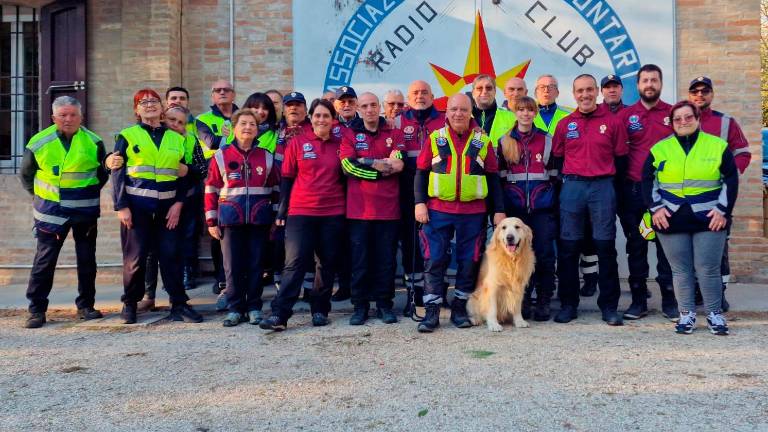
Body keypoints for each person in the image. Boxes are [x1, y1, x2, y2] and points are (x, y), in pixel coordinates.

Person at [642, 100, 738, 335]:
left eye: (688, 117)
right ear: (671, 122)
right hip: (671, 218)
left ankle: (714, 315)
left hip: (710, 218)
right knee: (680, 270)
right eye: (678, 118)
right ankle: (686, 315)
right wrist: (656, 209)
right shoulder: (660, 148)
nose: (683, 122)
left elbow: (731, 179)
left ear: (697, 118)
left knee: (708, 269)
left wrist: (723, 211)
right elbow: (647, 180)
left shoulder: (717, 146)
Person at [414, 93, 506, 333]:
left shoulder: (482, 141)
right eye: (453, 109)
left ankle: (459, 310)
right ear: (446, 112)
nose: (458, 114)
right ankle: (431, 313)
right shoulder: (435, 138)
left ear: (470, 112)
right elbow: (421, 173)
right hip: (437, 210)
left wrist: (499, 211)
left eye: (463, 110)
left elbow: (493, 178)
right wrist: (419, 203)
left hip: (472, 212)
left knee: (468, 261)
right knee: (434, 259)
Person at [112, 88, 203, 324]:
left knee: (172, 256)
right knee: (135, 258)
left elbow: (184, 175)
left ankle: (179, 304)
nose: (149, 105)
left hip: (168, 209)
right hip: (137, 208)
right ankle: (130, 304)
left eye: (153, 101)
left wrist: (179, 203)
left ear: (162, 107)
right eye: (143, 102)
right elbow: (117, 172)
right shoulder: (127, 135)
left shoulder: (176, 138)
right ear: (136, 109)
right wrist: (121, 206)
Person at [19, 96, 108, 328]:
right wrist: (41, 197)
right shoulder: (39, 142)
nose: (68, 119)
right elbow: (27, 176)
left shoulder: (94, 142)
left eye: (73, 115)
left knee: (87, 261)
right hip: (50, 212)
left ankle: (86, 306)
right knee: (44, 261)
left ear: (81, 117)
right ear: (53, 118)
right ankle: (36, 310)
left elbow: (102, 175)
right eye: (63, 115)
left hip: (85, 211)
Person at [260, 99, 345, 331]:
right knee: (295, 263)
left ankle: (319, 310)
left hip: (333, 212)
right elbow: (287, 178)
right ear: (311, 117)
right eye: (317, 115)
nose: (321, 120)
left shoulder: (341, 144)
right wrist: (282, 210)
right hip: (301, 212)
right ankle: (280, 314)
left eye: (326, 116)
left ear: (332, 119)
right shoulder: (297, 143)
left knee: (326, 264)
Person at [551, 74, 628, 326]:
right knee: (569, 248)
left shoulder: (613, 122)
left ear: (597, 92)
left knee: (605, 247)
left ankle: (608, 306)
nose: (584, 95)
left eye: (589, 90)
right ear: (573, 94)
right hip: (572, 187)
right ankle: (568, 304)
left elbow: (620, 157)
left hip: (602, 186)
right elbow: (558, 158)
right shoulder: (564, 124)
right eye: (579, 91)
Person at [205, 106, 279, 327]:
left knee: (256, 265)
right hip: (230, 220)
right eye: (243, 124)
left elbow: (275, 189)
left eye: (252, 124)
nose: (248, 127)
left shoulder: (266, 157)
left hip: (259, 220)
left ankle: (255, 307)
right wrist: (211, 221)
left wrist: (275, 219)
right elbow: (211, 189)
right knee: (232, 266)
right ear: (234, 129)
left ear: (257, 130)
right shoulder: (221, 156)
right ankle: (235, 309)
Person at [617, 64, 677, 321]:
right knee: (637, 246)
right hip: (635, 193)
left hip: (667, 194)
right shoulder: (626, 116)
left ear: (660, 84)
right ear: (638, 85)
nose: (649, 84)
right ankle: (639, 301)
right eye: (645, 80)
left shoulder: (675, 114)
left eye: (654, 80)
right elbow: (618, 154)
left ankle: (670, 301)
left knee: (667, 248)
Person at [340, 92, 405, 325]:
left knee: (386, 261)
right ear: (358, 108)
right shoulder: (349, 134)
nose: (369, 110)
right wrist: (375, 165)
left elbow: (397, 163)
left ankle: (385, 305)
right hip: (359, 211)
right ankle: (360, 307)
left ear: (380, 107)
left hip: (388, 210)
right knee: (360, 261)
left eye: (373, 105)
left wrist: (365, 161)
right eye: (365, 106)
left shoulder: (394, 133)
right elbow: (347, 166)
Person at [688, 76, 751, 312]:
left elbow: (743, 153)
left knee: (719, 248)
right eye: (695, 91)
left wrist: (729, 175)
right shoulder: (682, 121)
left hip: (719, 198)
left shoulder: (726, 123)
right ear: (690, 95)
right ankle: (695, 292)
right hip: (689, 199)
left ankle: (719, 294)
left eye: (705, 91)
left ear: (712, 94)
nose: (700, 95)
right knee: (692, 247)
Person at [139, 87, 202, 312]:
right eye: (172, 120)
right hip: (152, 203)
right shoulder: (153, 137)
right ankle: (148, 294)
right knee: (148, 252)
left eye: (181, 122)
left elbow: (200, 171)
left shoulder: (189, 141)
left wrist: (187, 170)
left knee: (173, 250)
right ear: (164, 117)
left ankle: (177, 297)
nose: (176, 125)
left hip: (181, 202)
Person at [498, 96, 557, 321]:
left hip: (542, 209)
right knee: (518, 259)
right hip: (516, 211)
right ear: (515, 112)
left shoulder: (546, 139)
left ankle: (543, 300)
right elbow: (500, 179)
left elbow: (554, 175)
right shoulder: (505, 142)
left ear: (535, 113)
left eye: (530, 110)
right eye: (521, 110)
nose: (525, 114)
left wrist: (551, 202)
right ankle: (522, 301)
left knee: (544, 255)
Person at [394, 80, 446, 315]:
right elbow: (393, 154)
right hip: (407, 192)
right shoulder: (397, 121)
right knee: (410, 246)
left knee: (438, 245)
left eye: (424, 92)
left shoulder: (444, 119)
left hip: (439, 192)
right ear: (409, 96)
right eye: (415, 92)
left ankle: (436, 292)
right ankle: (413, 296)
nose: (420, 96)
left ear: (432, 95)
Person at [196, 79, 238, 296]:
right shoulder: (202, 120)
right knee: (218, 231)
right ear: (212, 96)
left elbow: (252, 138)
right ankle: (221, 278)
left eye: (226, 90)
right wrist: (235, 139)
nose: (222, 93)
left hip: (241, 180)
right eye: (217, 90)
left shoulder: (243, 115)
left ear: (234, 94)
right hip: (215, 181)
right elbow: (210, 142)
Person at [470, 74, 516, 147]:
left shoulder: (512, 118)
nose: (484, 91)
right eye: (479, 88)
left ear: (495, 92)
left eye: (489, 88)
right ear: (473, 93)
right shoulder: (463, 118)